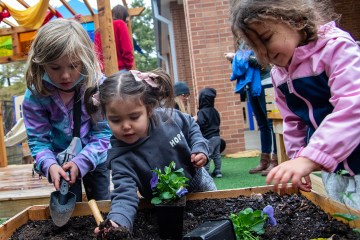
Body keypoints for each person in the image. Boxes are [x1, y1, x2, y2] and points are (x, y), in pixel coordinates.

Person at [231, 0, 360, 209]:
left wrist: (308, 159)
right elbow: (292, 120)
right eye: (256, 47)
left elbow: (353, 107)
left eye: (266, 38)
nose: (263, 53)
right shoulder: (279, 74)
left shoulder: (335, 48)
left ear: (297, 21)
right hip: (332, 166)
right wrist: (297, 158)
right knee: (342, 216)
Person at [85, 69, 217, 232]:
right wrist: (117, 224)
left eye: (134, 117)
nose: (126, 126)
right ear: (106, 117)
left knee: (215, 223)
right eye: (115, 120)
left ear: (148, 110)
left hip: (198, 185)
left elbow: (191, 126)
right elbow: (124, 197)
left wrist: (199, 148)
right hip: (161, 205)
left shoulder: (167, 118)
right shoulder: (120, 157)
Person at [22, 18, 111, 202]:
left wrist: (82, 161)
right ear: (41, 64)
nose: (65, 75)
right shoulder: (35, 96)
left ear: (85, 60)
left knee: (103, 203)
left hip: (95, 158)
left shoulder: (96, 88)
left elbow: (103, 133)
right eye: (55, 67)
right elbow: (38, 141)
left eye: (73, 66)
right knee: (71, 210)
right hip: (60, 165)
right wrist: (49, 165)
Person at [225, 48, 277, 176]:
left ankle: (276, 160)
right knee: (262, 125)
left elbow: (263, 63)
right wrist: (235, 59)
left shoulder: (258, 40)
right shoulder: (243, 43)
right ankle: (264, 160)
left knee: (271, 123)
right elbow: (242, 68)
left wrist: (237, 57)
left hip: (265, 83)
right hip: (250, 85)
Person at [94, 4, 134, 73]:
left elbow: (96, 53)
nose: (126, 24)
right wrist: (129, 66)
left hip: (103, 72)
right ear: (123, 17)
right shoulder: (120, 24)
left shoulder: (99, 30)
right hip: (121, 69)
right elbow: (127, 50)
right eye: (126, 21)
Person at [197, 87, 222, 178]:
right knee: (217, 155)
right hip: (217, 137)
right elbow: (218, 121)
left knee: (207, 155)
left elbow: (200, 124)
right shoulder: (215, 111)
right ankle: (218, 171)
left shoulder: (202, 112)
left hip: (208, 138)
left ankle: (206, 173)